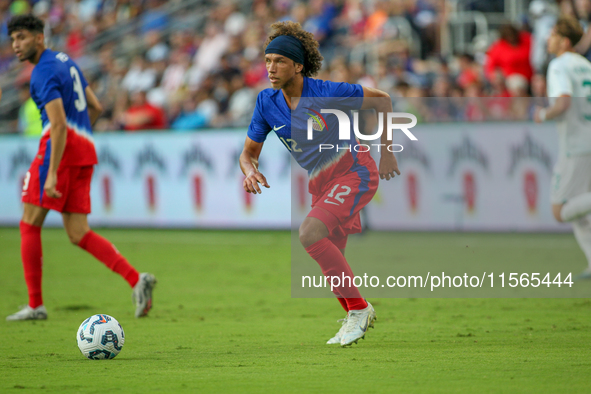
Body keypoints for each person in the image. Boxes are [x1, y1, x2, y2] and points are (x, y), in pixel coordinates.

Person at [239, 21, 400, 346]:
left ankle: (359, 310)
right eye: (268, 60)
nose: (271, 67)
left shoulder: (329, 92)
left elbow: (382, 100)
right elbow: (247, 154)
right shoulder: (266, 103)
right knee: (330, 256)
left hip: (356, 173)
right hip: (322, 185)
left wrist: (387, 152)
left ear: (298, 65)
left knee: (309, 233)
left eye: (280, 61)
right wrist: (249, 171)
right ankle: (353, 313)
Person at [6, 14, 156, 321]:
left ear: (39, 37)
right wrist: (81, 138)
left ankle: (35, 305)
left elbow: (58, 124)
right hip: (85, 151)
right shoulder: (66, 61)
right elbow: (96, 107)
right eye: (12, 40)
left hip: (57, 154)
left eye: (21, 37)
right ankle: (136, 279)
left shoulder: (41, 73)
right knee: (78, 233)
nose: (15, 45)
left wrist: (51, 174)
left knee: (29, 223)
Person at [534, 16, 591, 279]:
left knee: (560, 210)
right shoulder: (585, 65)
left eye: (553, 34)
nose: (548, 38)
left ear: (564, 41)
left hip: (576, 145)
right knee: (581, 212)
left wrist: (543, 114)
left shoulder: (559, 65)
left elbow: (563, 102)